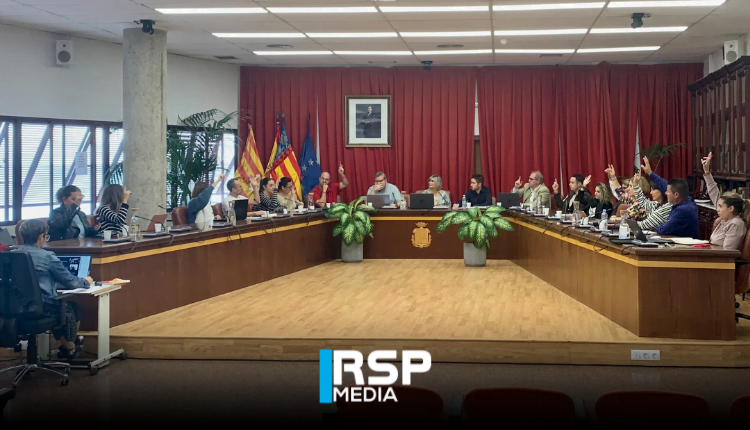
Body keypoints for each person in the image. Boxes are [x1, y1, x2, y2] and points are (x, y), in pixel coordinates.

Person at [12, 220, 91, 360]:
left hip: (14, 309)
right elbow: (71, 282)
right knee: (71, 308)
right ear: (40, 237)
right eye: (46, 237)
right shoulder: (47, 257)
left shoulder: (11, 255)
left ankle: (69, 347)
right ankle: (70, 348)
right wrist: (86, 281)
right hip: (43, 309)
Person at [702, 152, 750, 248]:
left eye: (720, 206)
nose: (717, 209)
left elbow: (727, 252)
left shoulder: (735, 224)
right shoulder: (726, 219)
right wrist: (706, 171)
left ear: (731, 208)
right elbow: (714, 192)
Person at [633, 159, 672, 231]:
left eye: (653, 190)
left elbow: (644, 225)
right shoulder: (656, 204)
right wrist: (635, 184)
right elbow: (643, 202)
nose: (651, 193)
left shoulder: (667, 207)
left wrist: (625, 223)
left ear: (662, 191)